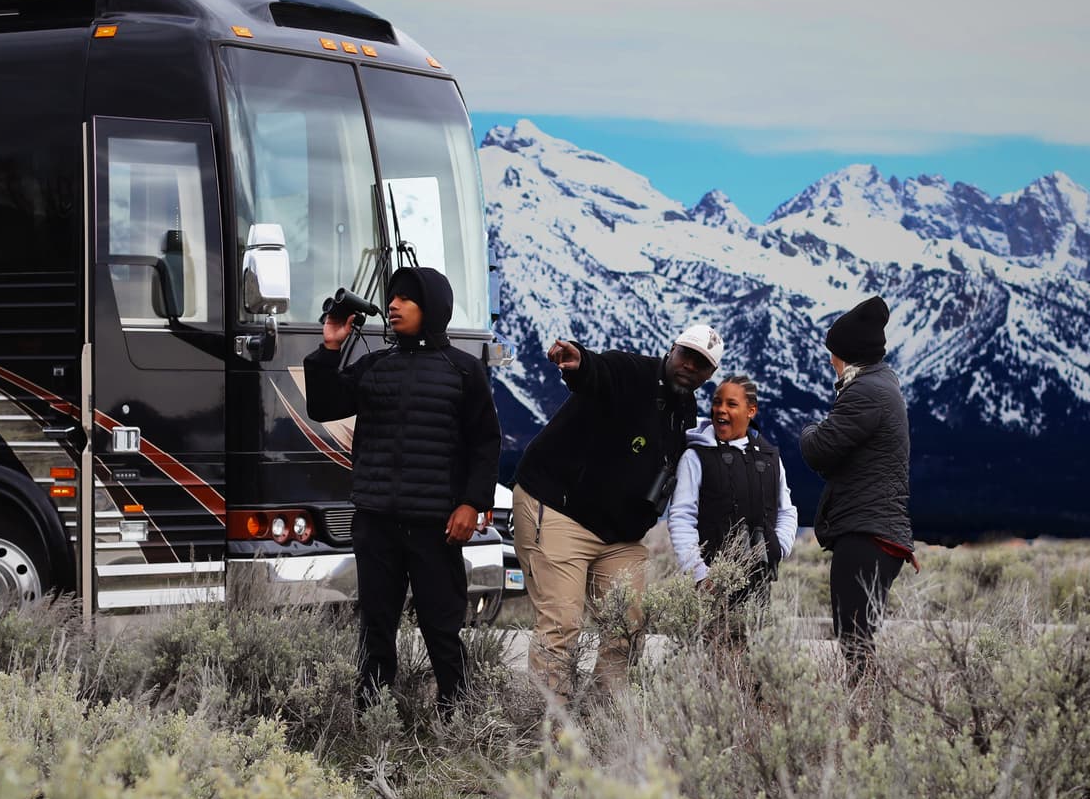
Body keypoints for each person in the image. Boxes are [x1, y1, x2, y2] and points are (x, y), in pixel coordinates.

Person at [303, 265, 500, 718]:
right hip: (375, 523)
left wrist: (472, 503)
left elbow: (486, 443)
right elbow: (324, 405)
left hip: (435, 527)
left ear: (431, 307)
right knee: (375, 629)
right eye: (392, 298)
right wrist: (331, 346)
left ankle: (458, 720)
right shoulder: (374, 365)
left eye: (406, 298)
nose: (393, 305)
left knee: (442, 629)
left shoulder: (464, 370)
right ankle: (372, 720)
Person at [511, 320, 723, 702]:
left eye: (702, 364)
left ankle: (604, 717)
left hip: (620, 535)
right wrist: (580, 362)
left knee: (627, 624)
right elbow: (598, 372)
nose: (691, 366)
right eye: (687, 355)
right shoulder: (632, 373)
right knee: (562, 623)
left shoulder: (684, 409)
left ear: (710, 374)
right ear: (671, 350)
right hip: (560, 511)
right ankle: (551, 729)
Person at [799, 296, 912, 673]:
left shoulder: (865, 393)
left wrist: (808, 428)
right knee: (858, 635)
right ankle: (867, 710)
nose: (831, 360)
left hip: (867, 532)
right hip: (876, 531)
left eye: (834, 353)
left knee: (854, 638)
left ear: (847, 354)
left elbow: (818, 449)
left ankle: (866, 712)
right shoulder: (882, 386)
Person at [665, 374, 796, 643]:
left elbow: (786, 510)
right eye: (716, 402)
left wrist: (779, 547)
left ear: (751, 411)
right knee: (715, 657)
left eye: (731, 404)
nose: (720, 410)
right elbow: (681, 517)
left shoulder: (769, 456)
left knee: (755, 661)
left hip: (760, 580)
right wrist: (699, 573)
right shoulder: (695, 456)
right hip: (712, 582)